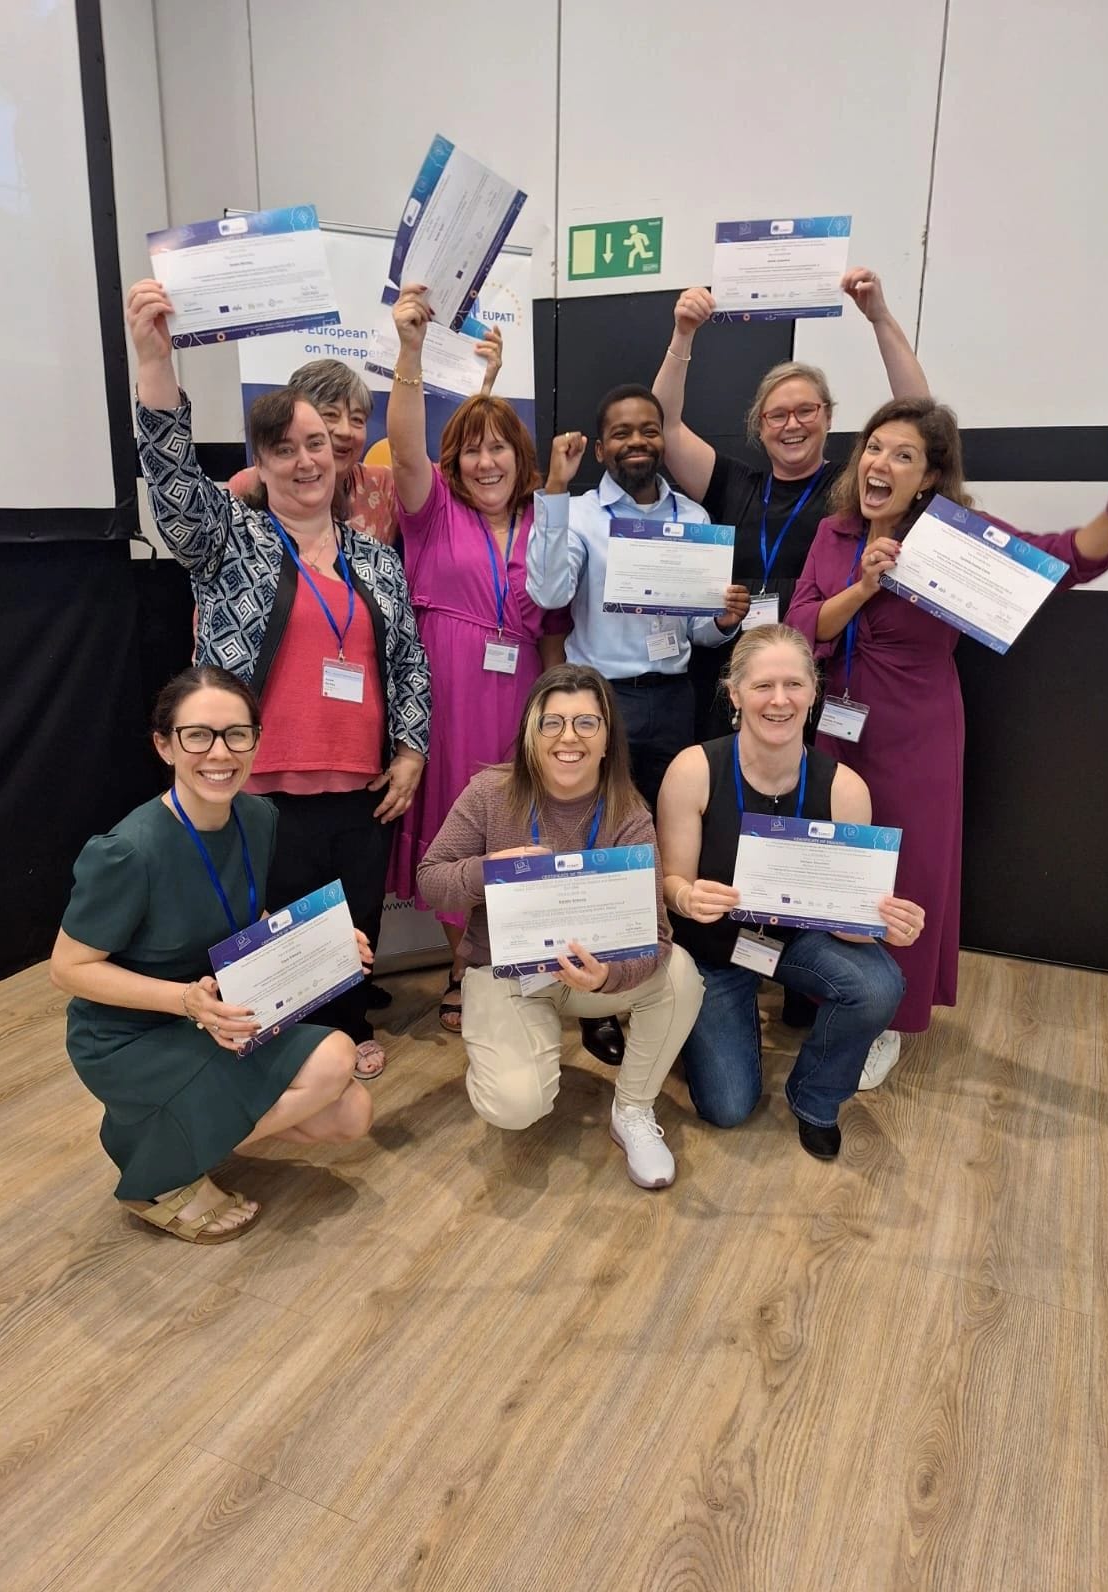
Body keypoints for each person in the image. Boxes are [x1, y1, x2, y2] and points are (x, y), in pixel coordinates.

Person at [786, 399, 1108, 1076]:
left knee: (906, 869)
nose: (881, 463)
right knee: (839, 860)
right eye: (874, 447)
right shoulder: (836, 534)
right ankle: (836, 991)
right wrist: (865, 585)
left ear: (928, 477)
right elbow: (808, 626)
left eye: (903, 455)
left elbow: (1064, 561)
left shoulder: (951, 538)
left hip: (916, 731)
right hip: (835, 723)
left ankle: (887, 1020)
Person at [126, 278, 431, 1081]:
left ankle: (344, 1022)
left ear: (338, 455)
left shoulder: (373, 557)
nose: (306, 461)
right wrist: (154, 360)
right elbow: (172, 485)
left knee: (349, 918)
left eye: (317, 446)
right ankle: (272, 1047)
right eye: (284, 449)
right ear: (260, 464)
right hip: (258, 784)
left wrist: (411, 747)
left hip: (361, 785)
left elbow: (406, 661)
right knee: (268, 927)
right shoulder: (234, 536)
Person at [49, 667, 374, 1242]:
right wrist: (186, 1001)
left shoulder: (257, 817)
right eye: (198, 735)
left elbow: (241, 916)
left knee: (351, 1114)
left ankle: (170, 1135)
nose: (219, 753)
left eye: (236, 735)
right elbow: (67, 968)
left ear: (256, 740)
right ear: (165, 744)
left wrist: (325, 943)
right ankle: (158, 1177)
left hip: (222, 1011)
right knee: (335, 1057)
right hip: (132, 1033)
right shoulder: (128, 851)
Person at [417, 664, 704, 1189]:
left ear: (607, 738)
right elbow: (430, 880)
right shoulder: (489, 792)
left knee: (681, 973)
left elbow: (658, 938)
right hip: (507, 974)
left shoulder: (629, 814)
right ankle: (506, 1047)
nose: (568, 738)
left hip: (589, 977)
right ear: (531, 732)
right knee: (515, 1104)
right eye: (552, 724)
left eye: (586, 724)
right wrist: (491, 869)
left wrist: (605, 980)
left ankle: (633, 1112)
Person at [659, 626, 922, 1158]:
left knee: (878, 984)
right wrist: (686, 898)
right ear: (734, 694)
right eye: (762, 686)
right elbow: (671, 883)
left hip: (796, 942)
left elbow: (845, 922)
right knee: (728, 1108)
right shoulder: (694, 769)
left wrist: (882, 922)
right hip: (715, 948)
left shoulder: (845, 787)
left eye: (794, 684)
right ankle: (700, 1026)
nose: (779, 701)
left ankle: (817, 1097)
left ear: (813, 691)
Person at [385, 281, 570, 1038]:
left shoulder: (542, 519)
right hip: (451, 696)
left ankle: (512, 957)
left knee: (521, 822)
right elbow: (401, 447)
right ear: (453, 461)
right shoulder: (433, 515)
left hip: (523, 698)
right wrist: (409, 350)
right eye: (471, 448)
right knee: (458, 830)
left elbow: (552, 626)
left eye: (499, 446)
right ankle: (462, 965)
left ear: (516, 456)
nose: (486, 460)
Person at [652, 269, 930, 741]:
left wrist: (879, 317)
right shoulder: (733, 483)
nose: (792, 424)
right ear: (759, 427)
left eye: (806, 410)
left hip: (816, 678)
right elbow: (666, 425)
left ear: (828, 416)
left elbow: (922, 417)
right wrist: (683, 334)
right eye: (777, 415)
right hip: (734, 680)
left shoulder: (853, 486)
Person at [528, 388, 751, 814]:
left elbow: (699, 633)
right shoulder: (578, 513)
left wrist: (722, 621)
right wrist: (555, 487)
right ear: (599, 449)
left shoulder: (693, 518)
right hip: (602, 697)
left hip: (673, 698)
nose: (636, 441)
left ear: (663, 442)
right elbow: (549, 593)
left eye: (649, 431)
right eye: (620, 433)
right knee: (597, 815)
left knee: (673, 816)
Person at [225, 334, 504, 547]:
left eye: (357, 419)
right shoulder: (248, 485)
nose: (346, 431)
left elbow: (451, 483)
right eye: (330, 415)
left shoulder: (382, 486)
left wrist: (483, 387)